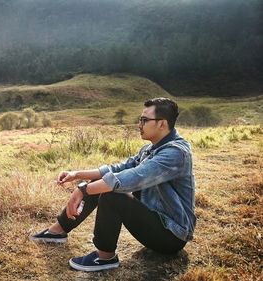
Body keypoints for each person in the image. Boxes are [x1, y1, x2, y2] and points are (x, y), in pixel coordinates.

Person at [30, 97, 196, 272]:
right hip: (154, 221)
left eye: (144, 120)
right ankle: (58, 232)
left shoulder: (175, 153)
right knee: (100, 183)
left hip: (171, 236)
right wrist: (76, 174)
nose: (139, 124)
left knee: (112, 194)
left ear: (162, 124)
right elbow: (118, 168)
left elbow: (133, 177)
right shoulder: (151, 148)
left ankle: (105, 258)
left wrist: (82, 190)